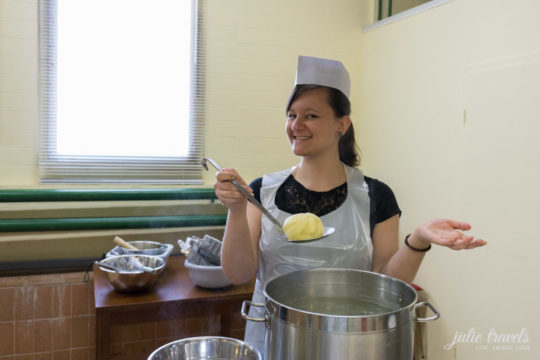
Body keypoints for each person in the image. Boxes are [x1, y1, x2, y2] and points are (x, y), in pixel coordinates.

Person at [213, 55, 487, 355]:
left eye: (311, 116)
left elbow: (386, 286)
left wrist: (418, 239)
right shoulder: (261, 191)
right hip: (275, 342)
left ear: (341, 124)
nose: (296, 125)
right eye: (291, 115)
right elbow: (237, 274)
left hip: (350, 346)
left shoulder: (376, 195)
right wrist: (237, 210)